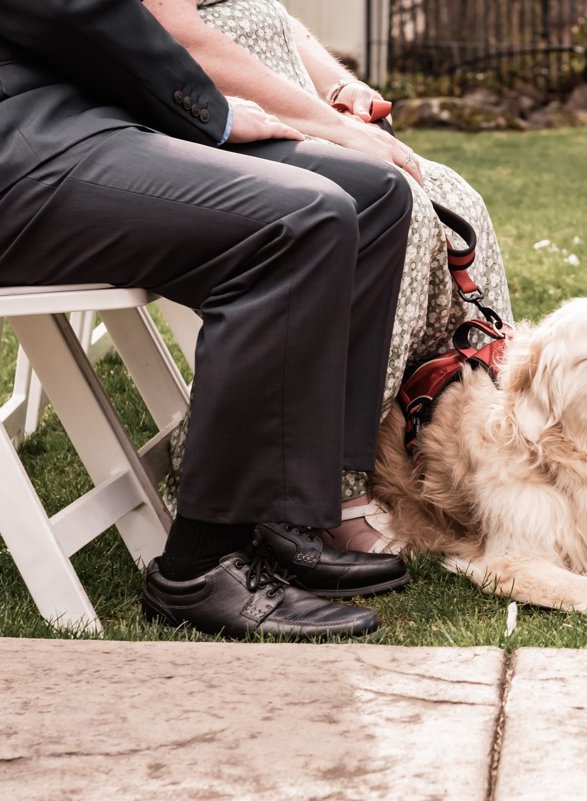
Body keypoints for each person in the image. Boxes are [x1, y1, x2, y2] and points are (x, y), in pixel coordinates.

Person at [0, 0, 415, 639]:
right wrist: (210, 112)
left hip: (56, 114)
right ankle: (202, 566)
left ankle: (281, 508)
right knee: (298, 221)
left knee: (374, 193)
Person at [146, 0, 514, 553]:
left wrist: (340, 88)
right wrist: (332, 129)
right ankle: (325, 488)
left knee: (455, 200)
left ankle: (445, 444)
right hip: (218, 125)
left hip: (299, 116)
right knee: (396, 207)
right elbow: (183, 39)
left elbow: (274, 20)